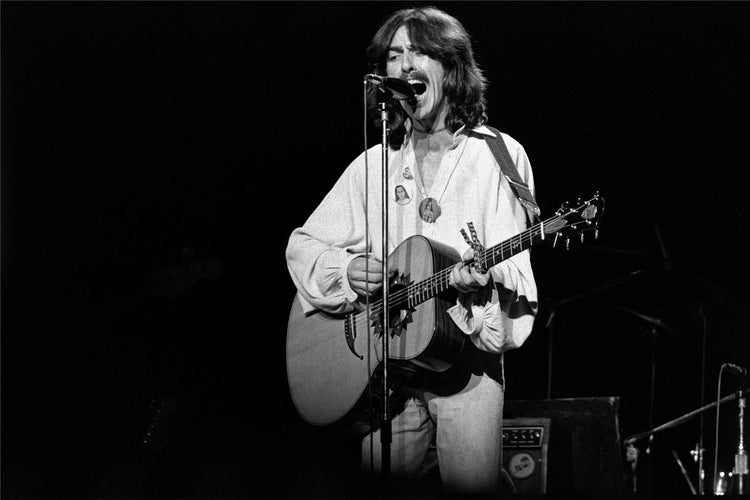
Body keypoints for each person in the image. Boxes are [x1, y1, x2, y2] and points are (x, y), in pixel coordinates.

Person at [286, 6, 538, 496]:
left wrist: (482, 288)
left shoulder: (497, 155)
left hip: (465, 365)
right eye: (393, 56)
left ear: (450, 66)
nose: (402, 66)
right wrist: (348, 268)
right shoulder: (373, 164)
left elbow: (514, 273)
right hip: (385, 374)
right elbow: (304, 244)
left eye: (418, 52)